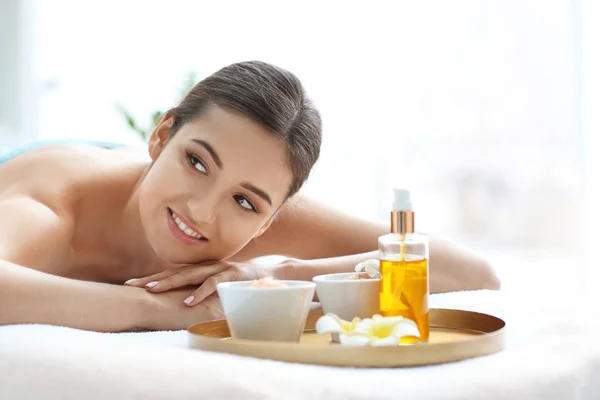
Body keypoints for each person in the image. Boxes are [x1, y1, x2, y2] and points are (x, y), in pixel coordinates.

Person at [0, 61, 499, 332]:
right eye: (197, 162)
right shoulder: (49, 210)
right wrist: (155, 310)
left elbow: (471, 273)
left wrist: (271, 275)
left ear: (269, 220)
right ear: (161, 136)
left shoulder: (260, 219)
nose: (202, 210)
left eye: (246, 202)